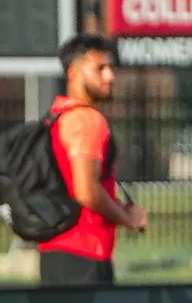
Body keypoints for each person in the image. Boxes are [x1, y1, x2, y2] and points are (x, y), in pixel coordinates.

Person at [39, 34, 148, 287]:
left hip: (55, 250)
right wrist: (126, 219)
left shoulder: (56, 115)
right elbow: (86, 191)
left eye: (110, 67)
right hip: (85, 254)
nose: (110, 76)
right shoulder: (87, 120)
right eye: (99, 68)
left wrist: (117, 207)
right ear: (74, 73)